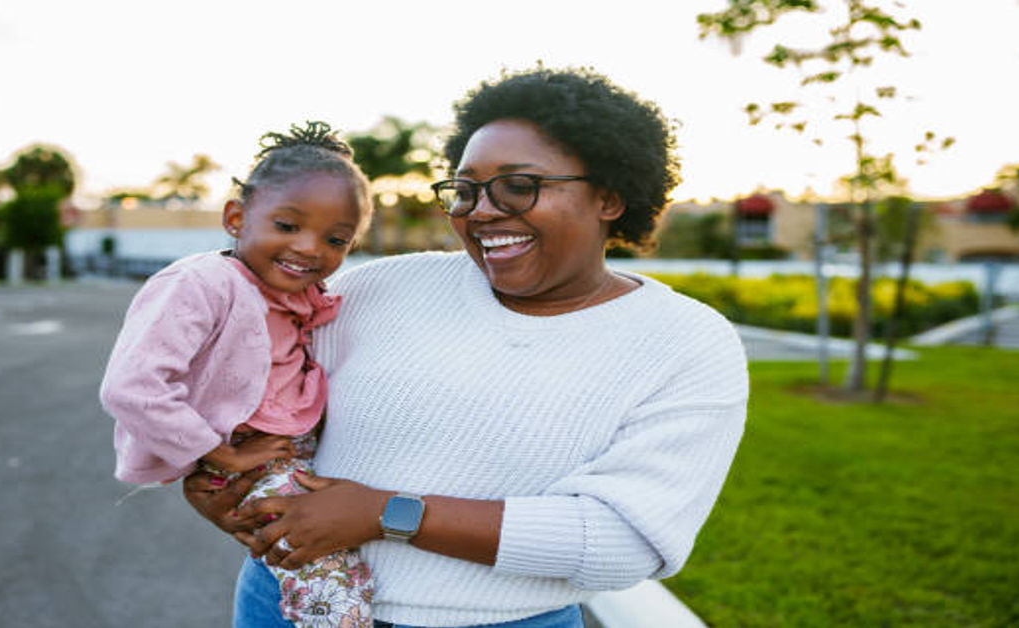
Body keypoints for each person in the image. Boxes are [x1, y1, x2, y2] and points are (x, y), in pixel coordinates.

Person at [185, 67, 749, 628]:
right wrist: (217, 484)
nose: (481, 210)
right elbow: (244, 398)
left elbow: (624, 542)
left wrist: (388, 514)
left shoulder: (686, 344)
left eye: (518, 185)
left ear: (609, 196)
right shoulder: (371, 290)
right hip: (285, 605)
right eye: (465, 190)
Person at [99, 121, 376, 627]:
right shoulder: (200, 283)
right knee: (330, 580)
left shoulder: (291, 293)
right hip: (244, 453)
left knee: (329, 562)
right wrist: (219, 452)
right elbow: (131, 387)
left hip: (288, 449)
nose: (311, 249)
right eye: (288, 226)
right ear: (235, 216)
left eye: (336, 239)